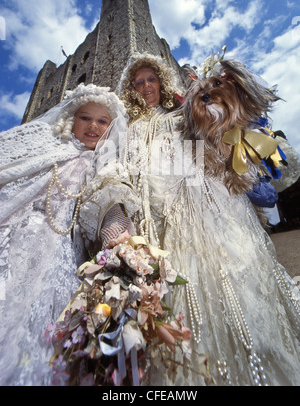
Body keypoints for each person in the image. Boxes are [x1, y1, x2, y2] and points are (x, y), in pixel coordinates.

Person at [79, 53, 300, 386]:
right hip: (155, 214)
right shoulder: (125, 128)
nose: (145, 86)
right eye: (138, 82)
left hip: (205, 204)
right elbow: (111, 167)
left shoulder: (182, 114)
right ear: (131, 89)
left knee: (234, 272)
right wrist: (115, 211)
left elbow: (216, 132)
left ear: (162, 81)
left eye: (151, 79)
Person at [0, 83, 127, 386]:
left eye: (102, 121)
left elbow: (111, 199)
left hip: (62, 251)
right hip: (18, 235)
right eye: (85, 118)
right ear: (71, 119)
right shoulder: (48, 146)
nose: (93, 126)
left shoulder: (104, 165)